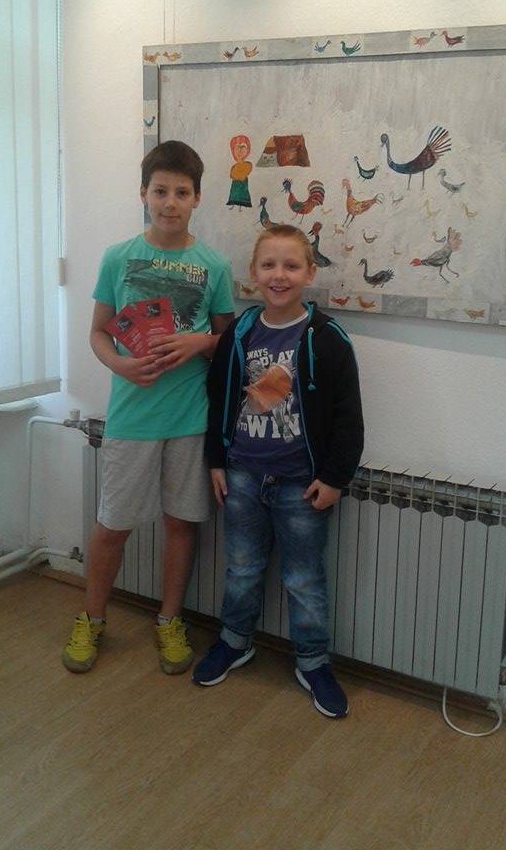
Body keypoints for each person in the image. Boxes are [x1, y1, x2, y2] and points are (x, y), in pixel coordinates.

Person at [62, 140, 235, 675]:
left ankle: (169, 620)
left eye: (181, 192)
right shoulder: (118, 257)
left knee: (181, 523)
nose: (170, 202)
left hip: (190, 419)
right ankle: (92, 618)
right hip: (132, 417)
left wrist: (199, 342)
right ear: (143, 193)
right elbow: (98, 333)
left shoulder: (214, 265)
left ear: (197, 198)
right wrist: (121, 365)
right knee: (112, 525)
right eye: (160, 191)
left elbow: (229, 341)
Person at [193, 224, 364, 717]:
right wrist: (217, 460)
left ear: (309, 273)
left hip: (301, 484)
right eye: (268, 265)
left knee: (304, 578)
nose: (279, 275)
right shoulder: (239, 333)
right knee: (242, 567)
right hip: (243, 475)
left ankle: (312, 661)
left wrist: (335, 478)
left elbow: (348, 416)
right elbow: (219, 398)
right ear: (253, 273)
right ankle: (234, 641)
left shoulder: (327, 338)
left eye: (291, 265)